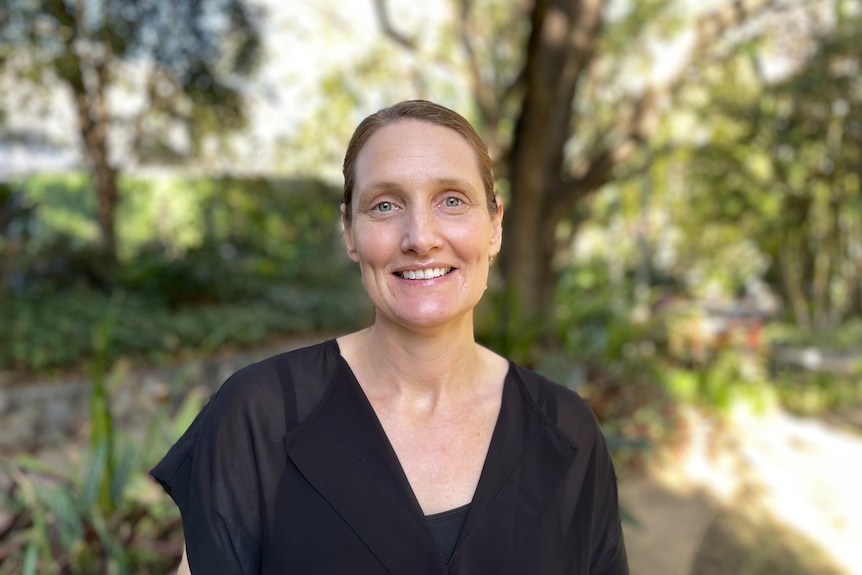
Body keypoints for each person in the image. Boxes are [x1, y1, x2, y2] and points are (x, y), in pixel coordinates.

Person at [152, 100, 629, 575]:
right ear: (350, 233)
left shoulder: (567, 429)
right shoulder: (258, 417)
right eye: (385, 205)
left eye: (452, 200)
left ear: (494, 225)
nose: (421, 237)